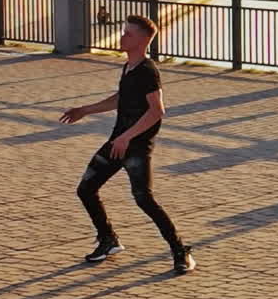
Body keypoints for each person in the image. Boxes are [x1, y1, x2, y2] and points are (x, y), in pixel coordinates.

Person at [59, 14, 195, 275]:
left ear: (143, 40)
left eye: (128, 34)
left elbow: (157, 111)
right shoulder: (129, 66)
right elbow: (121, 98)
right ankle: (108, 240)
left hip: (135, 148)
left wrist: (126, 137)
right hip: (118, 142)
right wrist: (85, 110)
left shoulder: (147, 70)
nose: (122, 37)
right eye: (123, 32)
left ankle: (181, 251)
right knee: (86, 190)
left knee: (144, 199)